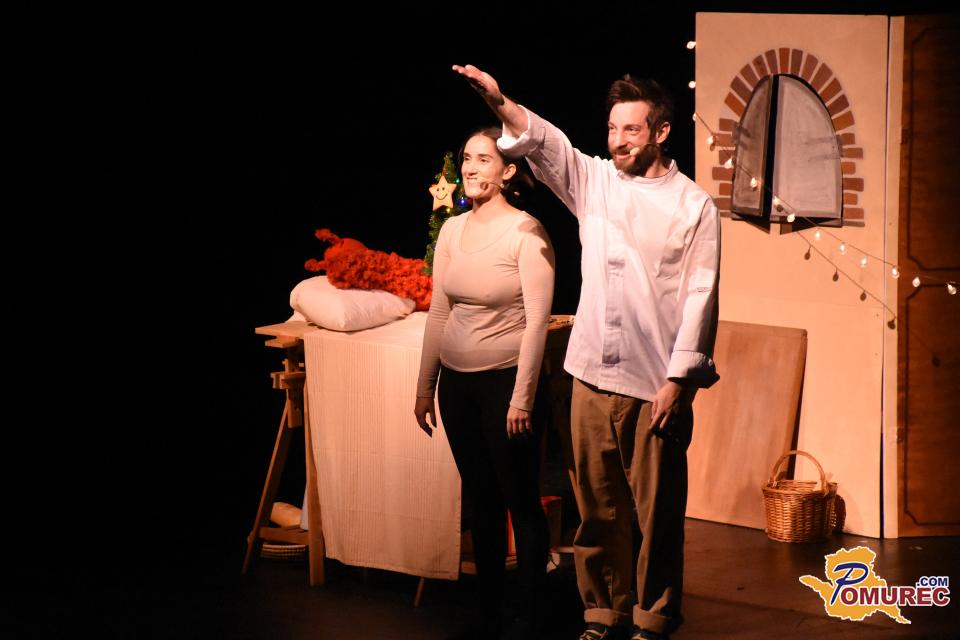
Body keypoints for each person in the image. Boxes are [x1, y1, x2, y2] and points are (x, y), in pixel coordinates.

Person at [452, 64, 720, 640]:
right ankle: (603, 611)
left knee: (656, 515)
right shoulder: (595, 181)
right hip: (590, 374)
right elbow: (547, 143)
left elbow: (701, 294)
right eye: (613, 128)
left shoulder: (693, 205)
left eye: (632, 130)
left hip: (653, 382)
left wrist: (680, 380)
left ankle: (653, 617)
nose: (618, 141)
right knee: (596, 510)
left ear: (661, 132)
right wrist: (500, 101)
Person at [415, 127, 556, 640]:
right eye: (467, 159)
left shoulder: (526, 232)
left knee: (519, 499)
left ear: (508, 171)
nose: (471, 169)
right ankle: (490, 609)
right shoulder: (453, 231)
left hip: (506, 387)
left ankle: (529, 613)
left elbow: (537, 323)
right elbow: (439, 312)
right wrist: (425, 385)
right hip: (458, 387)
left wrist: (522, 398)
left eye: (483, 160)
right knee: (481, 499)